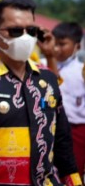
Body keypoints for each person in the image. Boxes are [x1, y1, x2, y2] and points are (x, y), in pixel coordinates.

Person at [0, 0, 83, 185]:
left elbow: (62, 143)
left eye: (31, 30)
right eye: (16, 31)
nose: (26, 37)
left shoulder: (48, 79)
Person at [53, 22, 85, 179]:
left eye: (62, 44)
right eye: (54, 43)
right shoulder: (43, 65)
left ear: (77, 46)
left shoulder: (81, 70)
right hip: (50, 128)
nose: (56, 48)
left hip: (76, 130)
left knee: (73, 173)